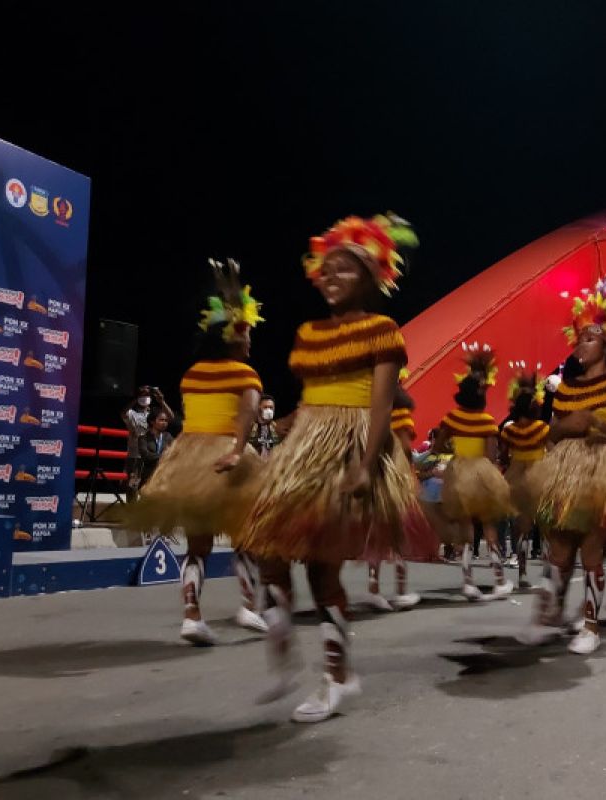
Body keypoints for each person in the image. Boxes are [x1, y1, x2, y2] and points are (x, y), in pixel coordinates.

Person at [240, 212, 420, 723]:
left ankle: (338, 676)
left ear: (370, 278)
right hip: (305, 448)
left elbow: (381, 407)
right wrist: (289, 424)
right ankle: (282, 648)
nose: (332, 276)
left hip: (349, 448)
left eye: (346, 269)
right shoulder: (307, 333)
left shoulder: (382, 330)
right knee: (266, 547)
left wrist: (365, 466)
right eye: (327, 268)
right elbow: (314, 395)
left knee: (322, 568)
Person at [131, 257, 267, 644]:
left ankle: (191, 615)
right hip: (227, 453)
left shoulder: (191, 374)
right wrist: (239, 451)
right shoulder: (245, 373)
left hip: (188, 458)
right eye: (246, 333)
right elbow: (247, 415)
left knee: (198, 545)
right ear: (231, 338)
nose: (250, 340)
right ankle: (248, 606)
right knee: (249, 537)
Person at [520, 280, 606, 653]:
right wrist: (563, 427)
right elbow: (552, 435)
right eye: (578, 339)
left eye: (588, 339)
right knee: (557, 549)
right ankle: (549, 613)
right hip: (563, 469)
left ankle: (590, 626)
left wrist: (597, 424)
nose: (579, 345)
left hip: (603, 470)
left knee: (590, 550)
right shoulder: (567, 389)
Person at [437, 343, 515, 601]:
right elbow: (491, 456)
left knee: (465, 527)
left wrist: (448, 445)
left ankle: (467, 581)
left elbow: (438, 445)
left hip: (459, 472)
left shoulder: (452, 418)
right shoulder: (487, 422)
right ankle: (499, 580)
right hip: (481, 473)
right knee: (489, 525)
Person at [362, 375, 437, 611]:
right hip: (396, 474)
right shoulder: (401, 412)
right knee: (400, 532)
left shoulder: (373, 410)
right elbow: (405, 447)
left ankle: (373, 588)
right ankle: (401, 591)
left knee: (377, 531)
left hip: (377, 470)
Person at [500, 362, 551, 588]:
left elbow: (503, 456)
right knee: (546, 525)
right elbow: (552, 448)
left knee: (521, 527)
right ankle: (548, 571)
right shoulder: (541, 428)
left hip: (516, 476)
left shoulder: (509, 430)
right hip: (540, 474)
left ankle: (521, 574)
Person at [138, 408, 176, 487]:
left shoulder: (168, 436)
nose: (164, 423)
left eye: (166, 420)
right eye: (161, 420)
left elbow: (175, 453)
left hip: (165, 477)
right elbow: (146, 456)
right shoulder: (143, 438)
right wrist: (165, 455)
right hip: (148, 477)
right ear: (152, 422)